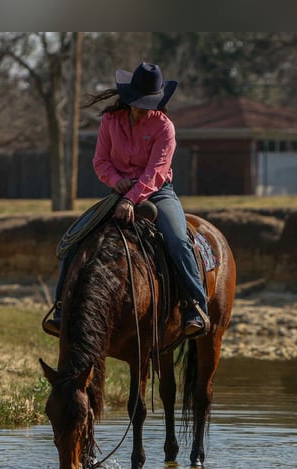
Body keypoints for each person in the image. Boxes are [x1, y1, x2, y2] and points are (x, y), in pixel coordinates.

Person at [43, 62, 209, 339]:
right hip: (119, 193)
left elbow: (156, 171)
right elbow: (100, 161)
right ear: (129, 98)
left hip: (158, 192)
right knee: (75, 240)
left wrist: (131, 199)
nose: (144, 107)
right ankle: (61, 308)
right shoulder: (110, 121)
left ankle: (195, 306)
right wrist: (114, 181)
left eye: (150, 102)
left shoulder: (164, 127)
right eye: (140, 102)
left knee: (179, 241)